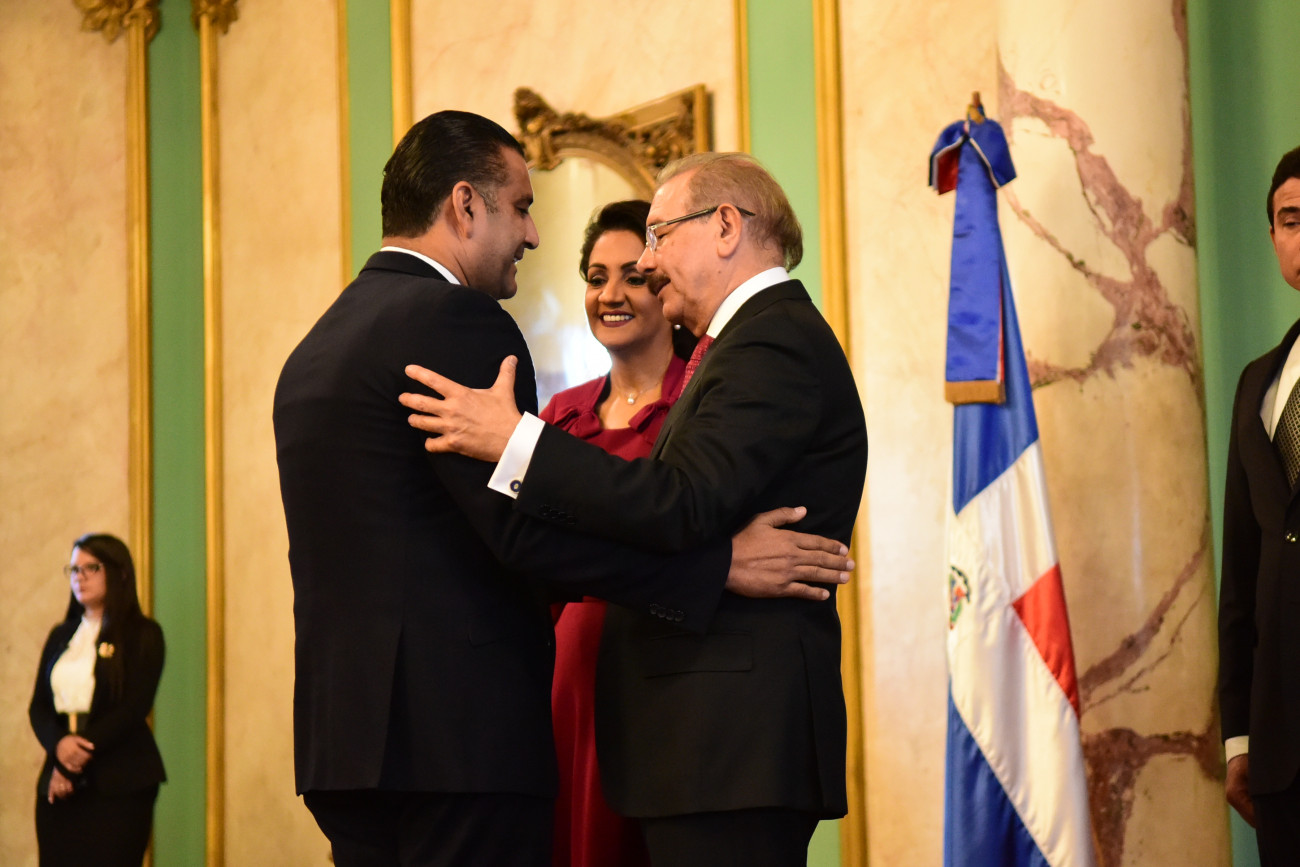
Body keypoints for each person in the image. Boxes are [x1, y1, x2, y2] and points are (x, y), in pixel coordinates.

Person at [272, 112, 853, 867]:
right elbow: (523, 537)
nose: (533, 234)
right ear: (465, 205)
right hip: (457, 742)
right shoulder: (457, 323)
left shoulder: (313, 350)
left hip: (343, 743)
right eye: (521, 207)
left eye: (657, 238)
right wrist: (717, 566)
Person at [547, 199, 689, 867]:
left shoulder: (701, 406)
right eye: (596, 277)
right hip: (569, 684)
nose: (610, 295)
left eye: (633, 276)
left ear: (666, 285)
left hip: (669, 679)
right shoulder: (559, 417)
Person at [1219, 143, 1300, 866]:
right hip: (1282, 759)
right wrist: (1239, 736)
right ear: (1274, 237)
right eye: (1291, 220)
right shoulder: (1257, 384)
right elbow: (1240, 580)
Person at [29, 533, 166, 867]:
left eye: (91, 568)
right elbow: (39, 706)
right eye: (74, 569)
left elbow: (134, 707)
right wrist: (59, 746)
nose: (80, 577)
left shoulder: (143, 634)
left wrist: (74, 758)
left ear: (120, 573)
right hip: (59, 782)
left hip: (119, 780)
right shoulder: (61, 635)